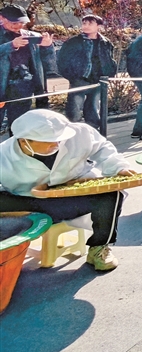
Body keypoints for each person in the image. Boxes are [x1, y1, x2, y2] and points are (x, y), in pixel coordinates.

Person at [0, 109, 134, 271]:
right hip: (29, 201)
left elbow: (102, 148)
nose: (57, 144)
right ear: (24, 141)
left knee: (111, 194)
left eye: (59, 139)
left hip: (71, 197)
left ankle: (99, 247)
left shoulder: (80, 133)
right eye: (49, 141)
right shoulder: (3, 155)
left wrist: (118, 167)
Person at [0, 5, 56, 132]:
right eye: (14, 22)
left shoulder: (31, 36)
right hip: (2, 86)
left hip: (23, 87)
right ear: (2, 18)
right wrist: (11, 45)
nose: (18, 26)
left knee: (19, 127)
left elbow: (50, 64)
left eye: (21, 22)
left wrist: (47, 46)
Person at [57, 14, 117, 130]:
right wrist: (72, 76)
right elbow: (62, 60)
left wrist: (109, 74)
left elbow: (109, 59)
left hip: (99, 79)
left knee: (94, 109)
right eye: (84, 23)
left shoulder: (105, 42)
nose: (86, 26)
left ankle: (92, 131)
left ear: (98, 26)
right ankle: (73, 132)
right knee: (74, 109)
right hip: (80, 79)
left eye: (90, 23)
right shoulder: (74, 42)